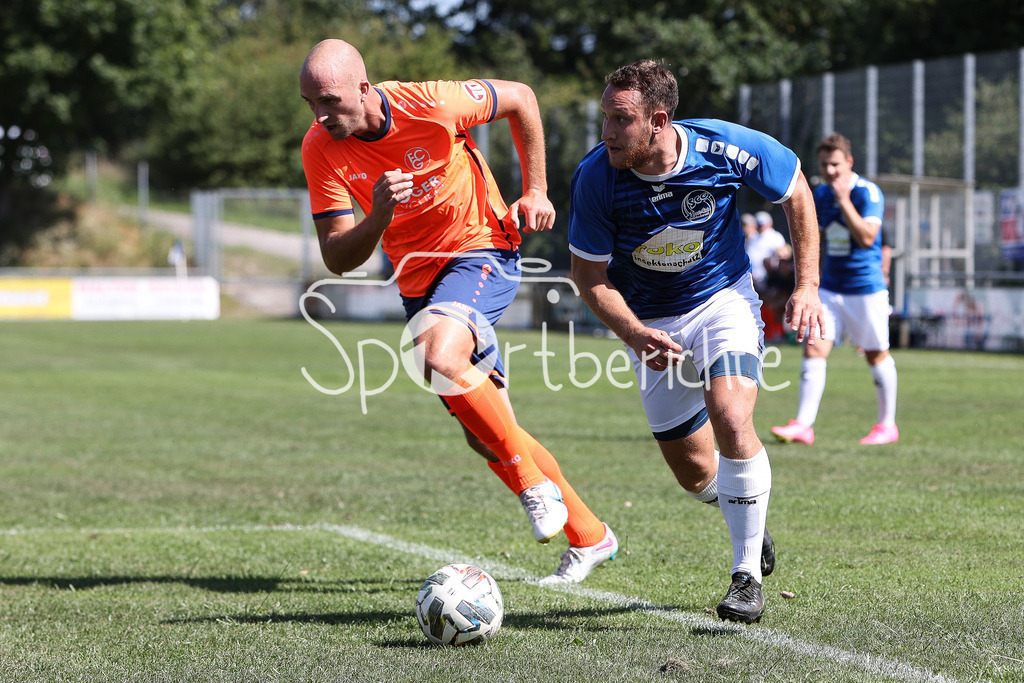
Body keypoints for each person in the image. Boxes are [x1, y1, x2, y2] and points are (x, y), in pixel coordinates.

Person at [298, 39, 617, 584]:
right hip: (419, 280)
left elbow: (520, 97)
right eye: (310, 104)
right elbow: (337, 256)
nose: (321, 116)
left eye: (329, 101)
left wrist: (536, 189)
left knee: (436, 352)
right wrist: (377, 217)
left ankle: (533, 487)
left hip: (482, 247)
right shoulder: (320, 148)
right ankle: (591, 535)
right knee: (487, 429)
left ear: (364, 88)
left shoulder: (433, 103)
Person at [568, 60, 823, 624]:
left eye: (620, 120)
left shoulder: (725, 148)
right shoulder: (595, 176)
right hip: (649, 323)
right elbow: (588, 276)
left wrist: (807, 285)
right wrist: (634, 333)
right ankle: (747, 515)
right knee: (694, 473)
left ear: (658, 120)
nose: (607, 132)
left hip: (721, 302)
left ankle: (745, 576)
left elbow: (796, 191)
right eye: (605, 117)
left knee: (731, 416)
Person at [771, 132, 898, 446]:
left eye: (836, 165)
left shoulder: (867, 192)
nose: (830, 171)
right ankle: (803, 424)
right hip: (829, 288)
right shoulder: (821, 194)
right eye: (825, 165)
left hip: (865, 288)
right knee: (814, 347)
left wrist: (844, 200)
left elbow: (868, 237)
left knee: (875, 354)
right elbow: (817, 235)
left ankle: (887, 425)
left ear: (849, 162)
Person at [745, 211, 787, 294]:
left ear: (770, 223)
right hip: (752, 280)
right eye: (759, 224)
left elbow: (782, 254)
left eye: (762, 224)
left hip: (768, 280)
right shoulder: (754, 237)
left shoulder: (775, 236)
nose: (761, 226)